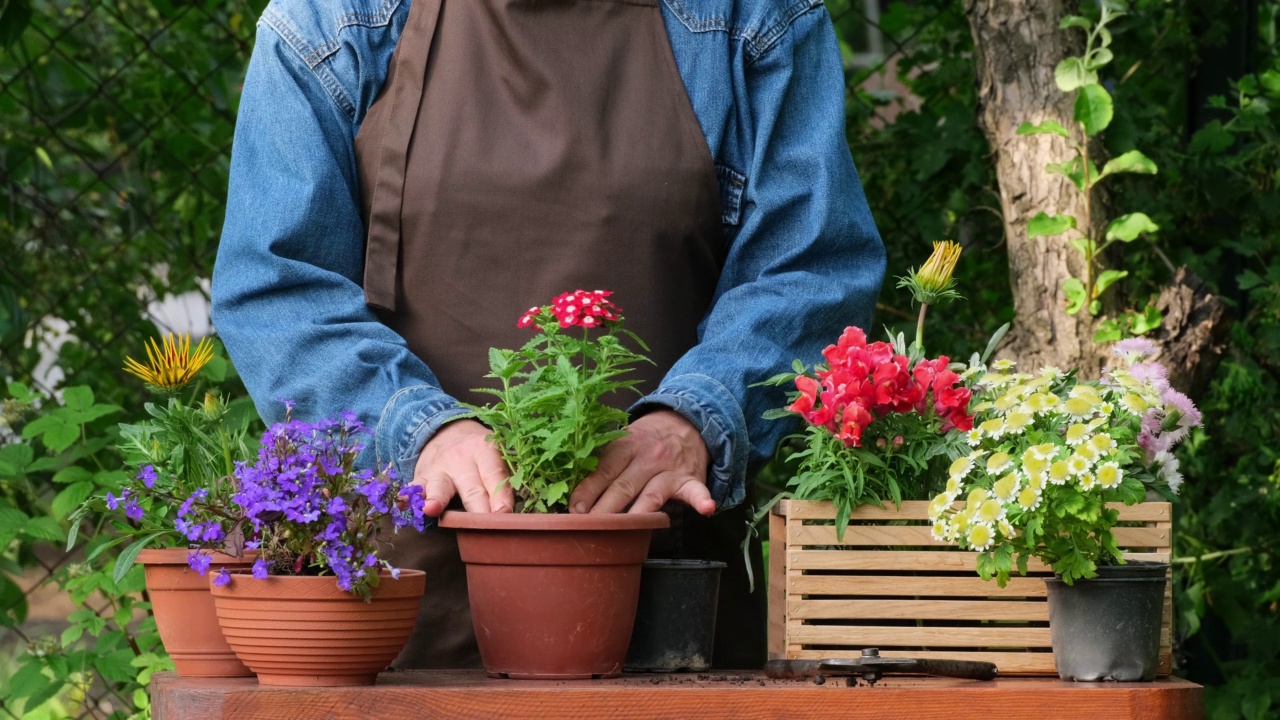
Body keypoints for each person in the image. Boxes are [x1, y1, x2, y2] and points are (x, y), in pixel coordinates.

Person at [211, 0, 885, 670]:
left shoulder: (751, 15)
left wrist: (693, 420)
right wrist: (416, 431)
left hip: (665, 582)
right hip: (399, 588)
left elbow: (808, 265)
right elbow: (278, 287)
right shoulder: (332, 21)